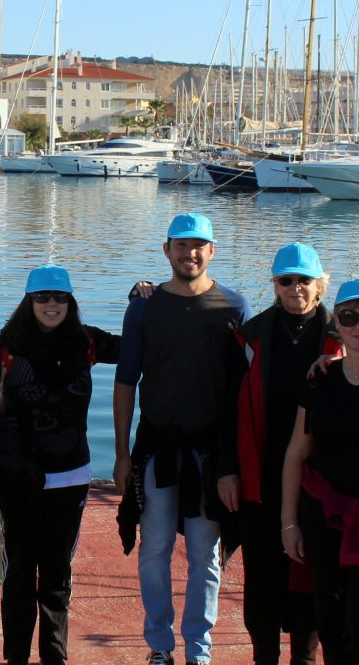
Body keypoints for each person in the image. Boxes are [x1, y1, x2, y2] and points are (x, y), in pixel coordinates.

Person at [113, 213, 252, 665]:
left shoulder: (235, 308)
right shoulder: (144, 307)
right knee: (153, 548)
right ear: (166, 249)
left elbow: (250, 389)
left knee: (205, 557)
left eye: (199, 246)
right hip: (157, 448)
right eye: (181, 245)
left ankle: (199, 649)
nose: (189, 254)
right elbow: (125, 381)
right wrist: (120, 454)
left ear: (212, 252)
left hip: (210, 454)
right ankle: (159, 645)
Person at [0, 265, 121, 665]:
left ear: (70, 302)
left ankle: (56, 657)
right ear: (29, 301)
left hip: (71, 477)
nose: (51, 304)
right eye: (42, 297)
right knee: (18, 574)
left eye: (59, 297)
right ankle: (15, 657)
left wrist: (143, 301)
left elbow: (139, 348)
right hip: (19, 477)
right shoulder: (6, 345)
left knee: (57, 576)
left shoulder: (87, 341)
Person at [218, 243, 332, 665]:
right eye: (286, 280)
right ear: (275, 285)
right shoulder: (250, 336)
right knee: (262, 583)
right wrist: (227, 470)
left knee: (311, 582)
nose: (295, 288)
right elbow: (227, 407)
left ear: (320, 283)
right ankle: (263, 657)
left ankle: (303, 656)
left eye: (304, 280)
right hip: (259, 476)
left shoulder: (341, 334)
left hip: (321, 481)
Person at [282, 278, 359, 665]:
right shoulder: (320, 378)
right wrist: (289, 523)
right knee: (329, 623)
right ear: (337, 324)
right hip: (324, 518)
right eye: (349, 316)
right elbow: (297, 452)